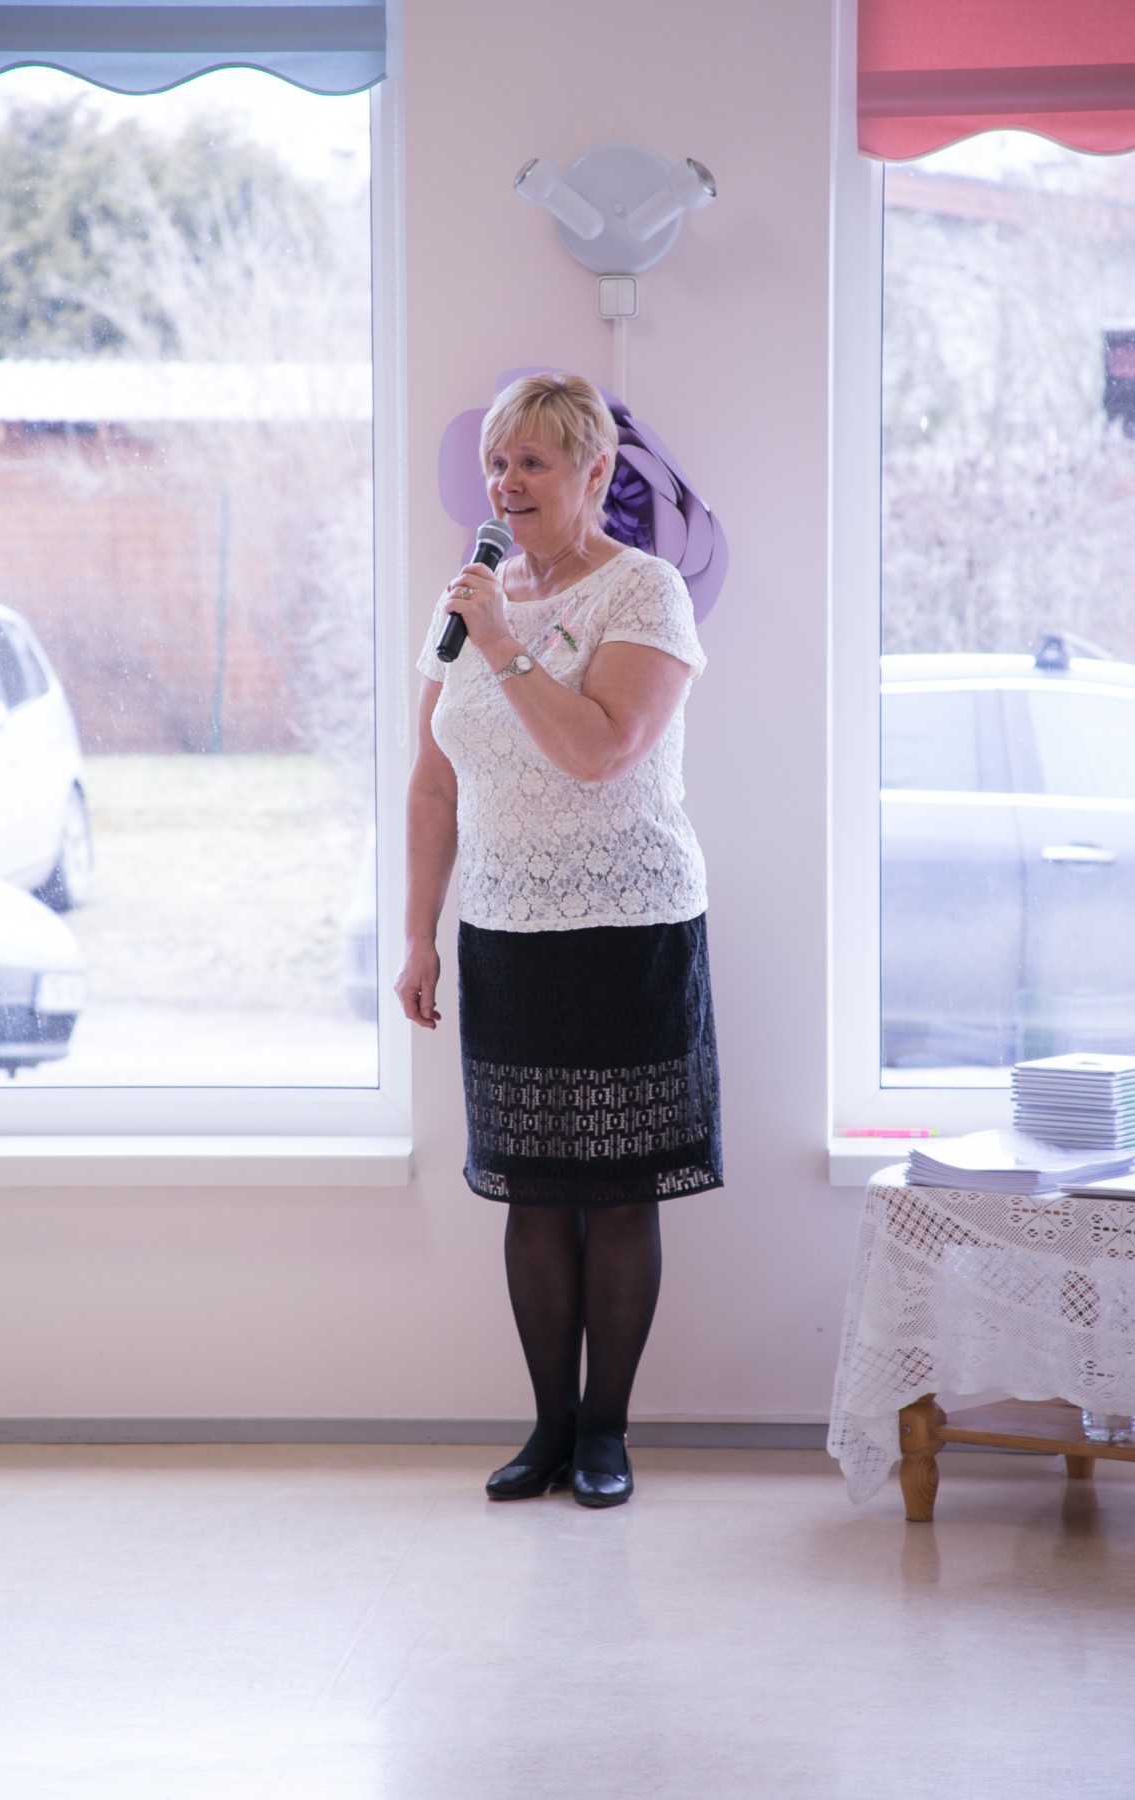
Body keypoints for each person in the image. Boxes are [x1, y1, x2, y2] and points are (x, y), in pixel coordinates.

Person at [396, 372, 722, 1509]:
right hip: (505, 932)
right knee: (534, 1193)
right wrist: (420, 936)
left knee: (619, 1193)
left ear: (594, 474)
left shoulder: (646, 591)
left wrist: (502, 644)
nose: (508, 482)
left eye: (533, 462)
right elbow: (432, 786)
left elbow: (599, 751)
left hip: (629, 928)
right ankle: (547, 1428)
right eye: (498, 462)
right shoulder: (468, 602)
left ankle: (605, 1434)